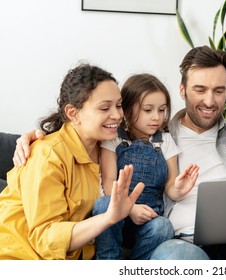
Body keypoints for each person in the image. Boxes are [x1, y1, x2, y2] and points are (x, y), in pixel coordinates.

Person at [13, 46, 226, 260]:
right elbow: (86, 132)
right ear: (182, 90)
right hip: (182, 241)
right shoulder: (152, 134)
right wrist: (37, 135)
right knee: (181, 259)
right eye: (200, 89)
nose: (209, 100)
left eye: (219, 91)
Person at [0, 63, 144, 259]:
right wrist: (108, 218)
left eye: (119, 105)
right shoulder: (47, 155)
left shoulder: (109, 149)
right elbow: (45, 238)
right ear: (73, 113)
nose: (118, 115)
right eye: (104, 108)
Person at [92, 73, 199, 260]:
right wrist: (130, 209)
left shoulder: (165, 141)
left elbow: (170, 189)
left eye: (162, 110)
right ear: (126, 108)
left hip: (148, 221)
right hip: (118, 216)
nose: (156, 117)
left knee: (164, 226)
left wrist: (180, 188)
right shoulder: (114, 138)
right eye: (148, 110)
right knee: (103, 204)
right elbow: (109, 183)